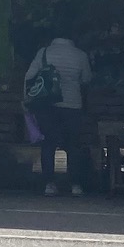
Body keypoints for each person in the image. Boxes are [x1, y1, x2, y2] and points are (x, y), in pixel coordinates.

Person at [26, 25, 94, 196]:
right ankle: (75, 185)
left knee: (48, 144)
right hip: (73, 105)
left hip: (48, 106)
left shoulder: (43, 53)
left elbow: (29, 76)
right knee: (73, 145)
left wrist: (27, 99)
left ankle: (49, 184)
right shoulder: (80, 55)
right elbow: (86, 79)